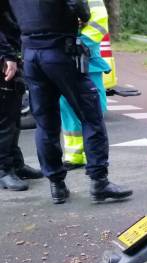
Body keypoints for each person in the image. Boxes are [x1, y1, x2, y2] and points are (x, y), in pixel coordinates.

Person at [6, 0, 131, 204]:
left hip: (31, 55)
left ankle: (56, 185)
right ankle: (99, 182)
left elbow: (6, 19)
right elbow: (81, 7)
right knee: (91, 116)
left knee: (45, 124)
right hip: (61, 51)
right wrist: (82, 16)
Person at [61, 0, 111, 170]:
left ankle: (95, 161)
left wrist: (77, 44)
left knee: (91, 112)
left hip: (86, 58)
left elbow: (99, 21)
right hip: (63, 58)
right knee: (66, 109)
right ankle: (74, 156)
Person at [0, 0, 43, 191]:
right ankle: (3, 171)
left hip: (12, 52)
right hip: (4, 57)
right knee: (4, 118)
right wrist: (7, 54)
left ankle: (15, 163)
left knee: (13, 116)